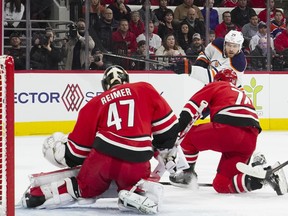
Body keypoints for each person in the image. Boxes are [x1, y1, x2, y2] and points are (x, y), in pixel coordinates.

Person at [21, 65, 179, 214]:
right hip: (137, 160)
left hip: (103, 158)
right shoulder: (145, 89)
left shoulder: (94, 104)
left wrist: (58, 153)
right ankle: (134, 191)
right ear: (127, 79)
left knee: (84, 187)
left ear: (105, 85)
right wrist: (162, 150)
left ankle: (39, 194)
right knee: (136, 182)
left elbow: (76, 154)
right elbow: (169, 131)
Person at [169, 69, 286, 195]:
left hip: (228, 131)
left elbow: (190, 108)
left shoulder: (216, 85)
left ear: (218, 79)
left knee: (188, 137)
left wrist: (176, 130)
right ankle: (263, 177)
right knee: (222, 185)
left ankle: (187, 174)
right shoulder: (241, 93)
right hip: (250, 139)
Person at [172, 30, 246, 88]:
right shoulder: (217, 44)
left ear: (239, 47)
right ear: (224, 43)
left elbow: (214, 77)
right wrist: (200, 63)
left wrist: (190, 69)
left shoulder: (238, 62)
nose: (231, 49)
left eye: (235, 46)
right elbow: (205, 54)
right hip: (213, 87)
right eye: (229, 45)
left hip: (232, 92)